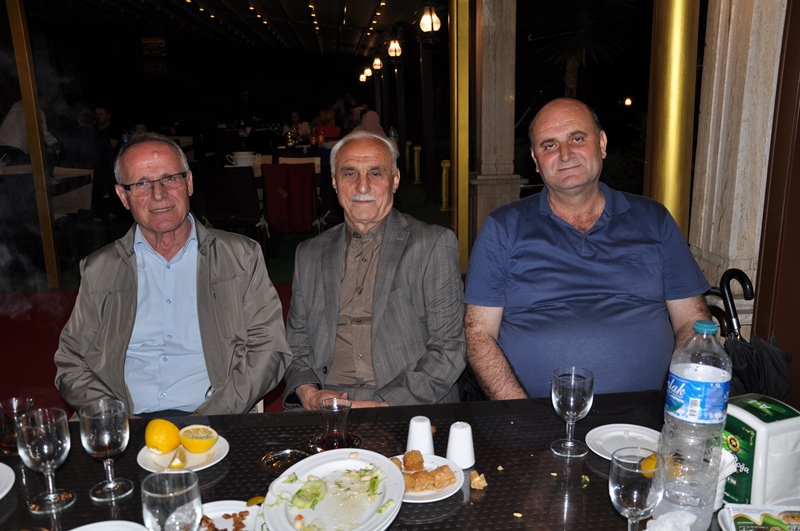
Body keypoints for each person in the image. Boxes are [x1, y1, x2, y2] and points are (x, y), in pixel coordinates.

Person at [464, 98, 711, 400]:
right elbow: (478, 334)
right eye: (549, 145)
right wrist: (519, 411)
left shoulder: (654, 219)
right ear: (536, 160)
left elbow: (692, 320)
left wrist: (679, 402)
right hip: (535, 411)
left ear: (602, 144)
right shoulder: (503, 227)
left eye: (577, 139)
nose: (565, 154)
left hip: (646, 413)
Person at [54, 132, 291, 417]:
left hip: (214, 416)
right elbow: (72, 361)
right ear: (123, 196)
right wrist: (114, 416)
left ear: (188, 182)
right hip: (127, 420)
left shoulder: (240, 256)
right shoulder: (100, 269)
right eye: (142, 183)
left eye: (169, 178)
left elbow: (269, 349)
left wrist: (211, 416)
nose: (158, 194)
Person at [282, 130, 466, 410]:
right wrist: (309, 394)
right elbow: (296, 344)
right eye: (350, 173)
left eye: (376, 173)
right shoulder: (310, 253)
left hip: (408, 404)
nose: (362, 186)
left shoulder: (432, 245)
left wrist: (384, 405)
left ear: (395, 180)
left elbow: (449, 349)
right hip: (327, 404)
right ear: (334, 181)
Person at [0, 96, 59, 165]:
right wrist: (54, 143)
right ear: (40, 98)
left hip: (3, 145)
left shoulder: (19, 104)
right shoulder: (38, 111)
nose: (47, 105)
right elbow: (41, 131)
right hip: (13, 149)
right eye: (47, 101)